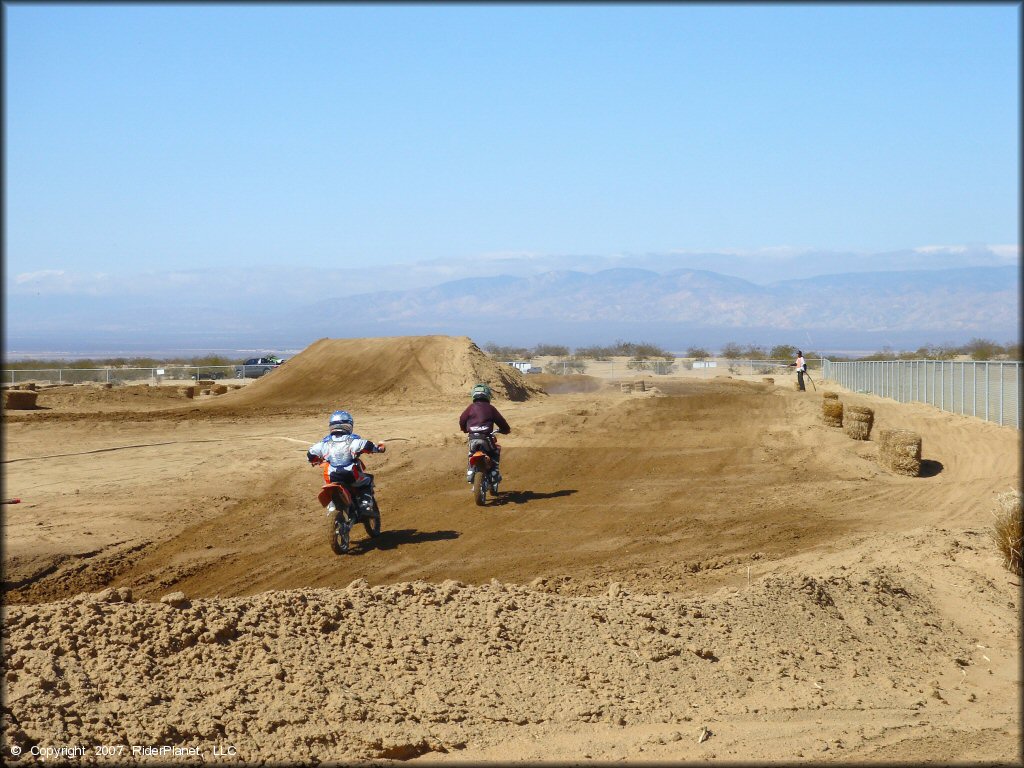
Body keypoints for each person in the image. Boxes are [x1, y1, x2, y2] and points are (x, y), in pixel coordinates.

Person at [307, 410, 385, 514]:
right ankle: (366, 504)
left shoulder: (324, 443)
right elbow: (368, 446)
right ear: (348, 425)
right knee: (367, 480)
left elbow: (310, 454)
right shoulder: (352, 440)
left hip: (332, 477)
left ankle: (332, 505)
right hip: (350, 474)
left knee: (327, 479)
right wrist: (379, 449)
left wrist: (315, 460)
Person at [459, 383, 511, 486]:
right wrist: (505, 430)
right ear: (488, 395)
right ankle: (494, 471)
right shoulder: (490, 408)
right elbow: (501, 421)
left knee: (471, 452)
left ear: (473, 394)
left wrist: (464, 429)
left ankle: (470, 470)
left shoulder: (470, 407)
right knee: (495, 451)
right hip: (486, 438)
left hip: (472, 437)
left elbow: (462, 419)